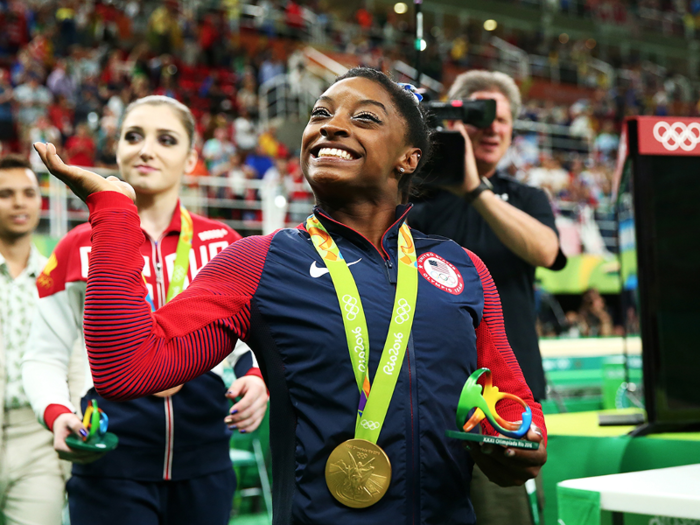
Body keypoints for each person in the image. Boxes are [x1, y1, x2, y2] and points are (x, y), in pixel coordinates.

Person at [34, 68, 547, 525]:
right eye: (320, 113)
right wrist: (114, 212)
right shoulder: (256, 262)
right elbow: (127, 368)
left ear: (409, 158)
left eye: (364, 117)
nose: (330, 124)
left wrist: (516, 443)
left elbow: (518, 410)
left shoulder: (461, 267)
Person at [23, 96, 268, 525]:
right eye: (133, 136)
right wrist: (57, 413)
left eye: (166, 139)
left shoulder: (225, 243)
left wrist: (256, 377)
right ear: (117, 147)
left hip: (206, 466)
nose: (146, 149)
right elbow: (44, 353)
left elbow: (253, 339)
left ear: (191, 157)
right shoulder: (74, 247)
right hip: (109, 467)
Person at [409, 70, 565, 525]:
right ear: (454, 123)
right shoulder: (416, 198)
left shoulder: (525, 197)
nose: (493, 128)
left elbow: (547, 251)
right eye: (479, 116)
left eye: (503, 119)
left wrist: (475, 189)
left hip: (504, 398)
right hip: (423, 396)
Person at [0, 155, 65, 525]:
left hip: (37, 437)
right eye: (5, 194)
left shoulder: (56, 279)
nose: (20, 202)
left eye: (28, 193)